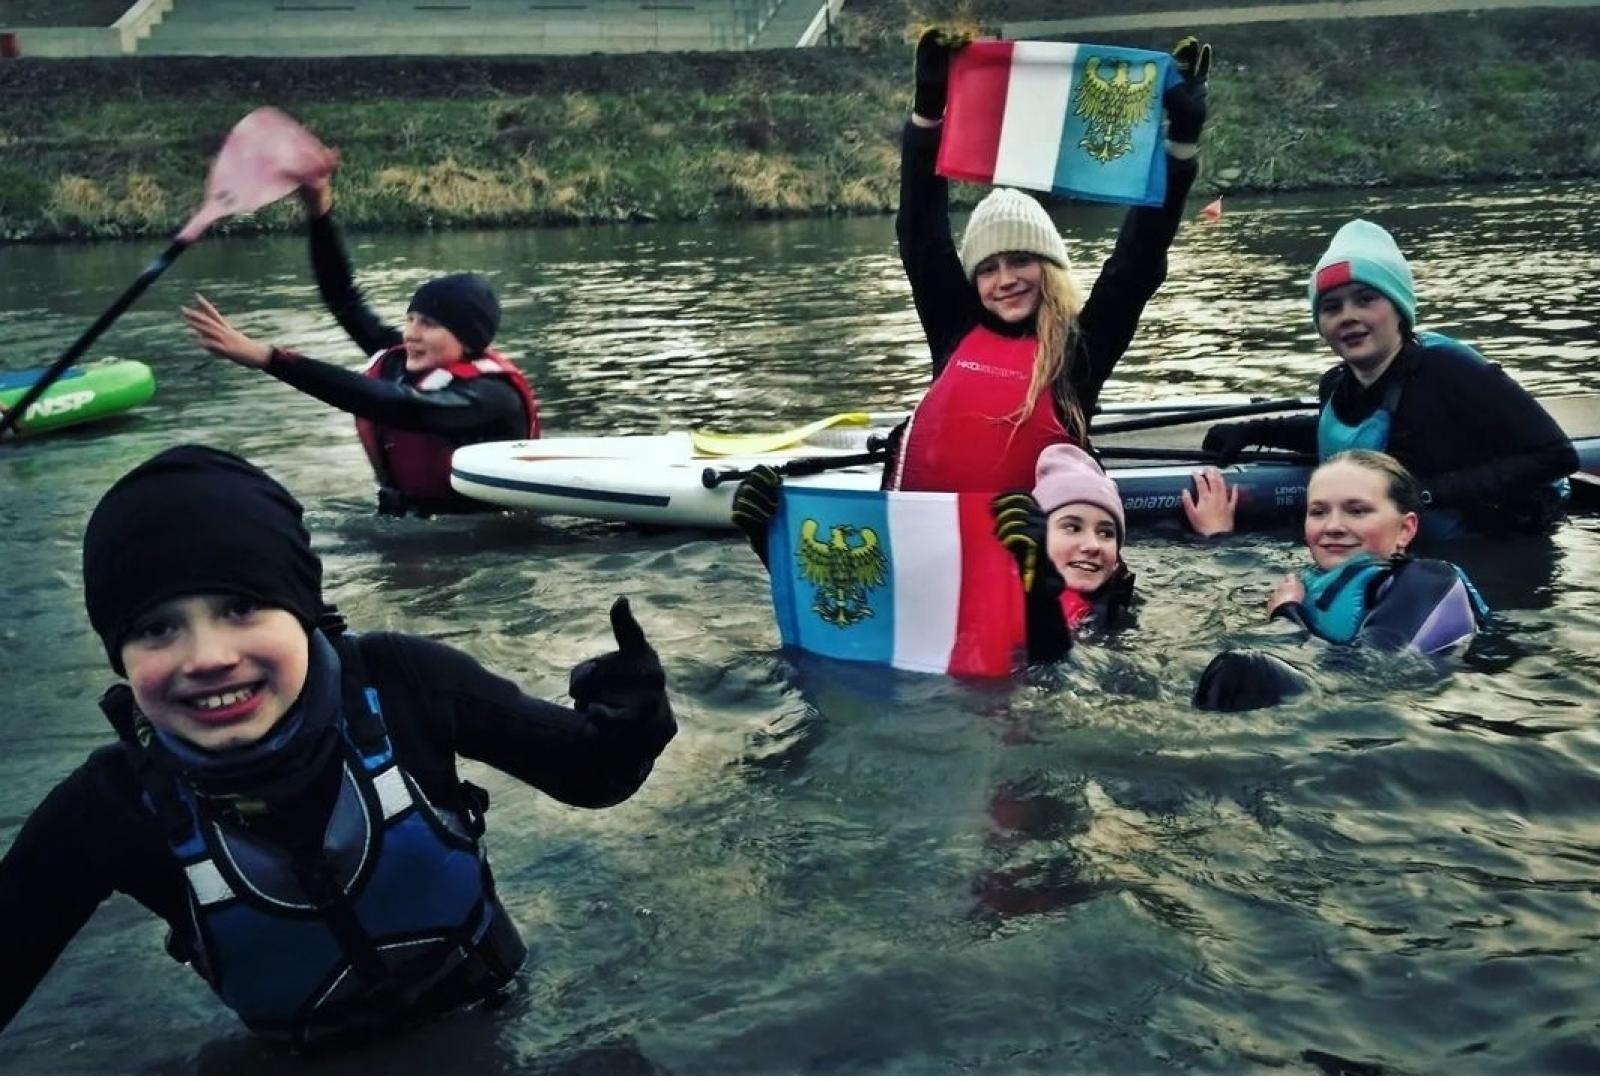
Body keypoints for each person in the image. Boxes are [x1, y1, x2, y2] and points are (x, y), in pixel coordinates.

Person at [0, 446, 675, 1050]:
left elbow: (594, 777)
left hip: (506, 1028)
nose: (207, 658)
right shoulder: (110, 808)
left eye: (240, 608)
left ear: (301, 607)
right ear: (118, 656)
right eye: (155, 629)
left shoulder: (406, 683)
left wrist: (629, 715)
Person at [886, 28, 1210, 492]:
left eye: (1020, 261)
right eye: (988, 269)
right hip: (944, 547)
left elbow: (1135, 264)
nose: (1005, 280)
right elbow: (920, 234)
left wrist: (1180, 147)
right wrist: (927, 116)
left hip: (1037, 555)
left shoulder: (1081, 351)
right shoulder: (953, 328)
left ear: (1049, 268)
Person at [181, 169, 540, 517]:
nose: (410, 334)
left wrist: (268, 358)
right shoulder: (402, 361)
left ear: (467, 338)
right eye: (410, 319)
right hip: (406, 525)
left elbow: (400, 406)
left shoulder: (492, 397)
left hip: (485, 543)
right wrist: (319, 210)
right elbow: (344, 300)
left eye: (429, 325)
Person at [1200, 218, 1577, 536]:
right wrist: (1253, 431)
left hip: (1494, 544)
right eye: (1332, 307)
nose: (1348, 316)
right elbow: (1358, 436)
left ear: (1399, 310)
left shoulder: (1452, 373)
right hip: (1400, 546)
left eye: (1366, 300)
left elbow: (1556, 456)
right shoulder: (1336, 384)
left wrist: (1425, 493)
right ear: (1321, 325)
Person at [1192, 450, 1489, 711]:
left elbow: (1373, 673)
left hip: (1370, 722)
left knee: (1240, 670)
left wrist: (1286, 617)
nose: (1333, 526)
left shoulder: (1431, 580)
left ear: (1405, 530)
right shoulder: (1306, 582)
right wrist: (1219, 540)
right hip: (1316, 706)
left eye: (1357, 511)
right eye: (1319, 512)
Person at [991, 443, 1136, 664]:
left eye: (1106, 533)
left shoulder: (1120, 596)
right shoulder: (1009, 597)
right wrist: (1041, 596)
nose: (1092, 545)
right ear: (1039, 534)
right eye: (1072, 528)